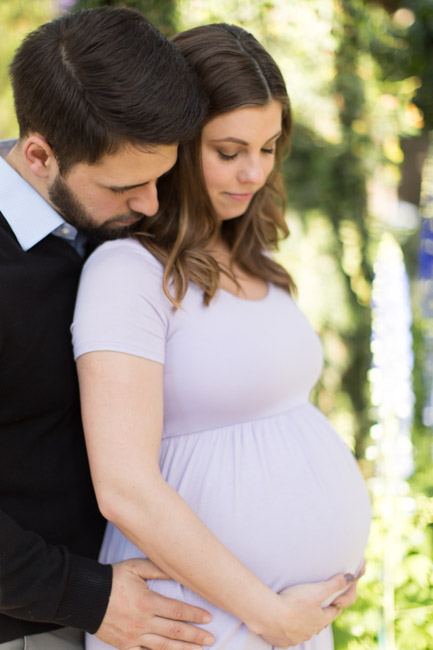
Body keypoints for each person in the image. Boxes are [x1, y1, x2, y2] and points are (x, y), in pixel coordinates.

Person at [72, 23, 372, 650]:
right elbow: (124, 487)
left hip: (283, 620)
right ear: (177, 144)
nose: (254, 173)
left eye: (268, 148)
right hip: (197, 620)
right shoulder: (127, 272)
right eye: (229, 151)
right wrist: (267, 613)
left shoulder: (255, 254)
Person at [0, 7, 218, 650]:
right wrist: (87, 598)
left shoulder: (105, 226)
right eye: (127, 185)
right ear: (38, 154)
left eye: (161, 177)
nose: (151, 203)